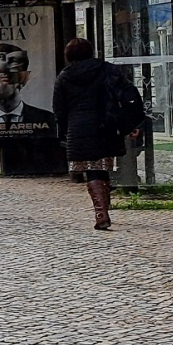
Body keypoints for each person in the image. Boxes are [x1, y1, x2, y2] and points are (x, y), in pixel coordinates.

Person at [53, 36, 146, 231]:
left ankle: (101, 211)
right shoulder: (107, 69)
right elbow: (127, 94)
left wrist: (63, 133)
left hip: (78, 128)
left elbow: (59, 109)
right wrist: (130, 122)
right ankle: (104, 208)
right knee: (101, 166)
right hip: (106, 124)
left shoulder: (64, 76)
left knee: (91, 169)